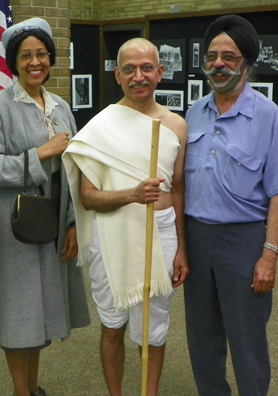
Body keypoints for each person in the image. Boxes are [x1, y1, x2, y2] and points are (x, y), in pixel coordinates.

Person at [63, 38, 189, 396]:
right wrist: (131, 195)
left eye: (147, 68)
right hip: (113, 233)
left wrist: (182, 248)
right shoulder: (100, 129)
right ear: (117, 75)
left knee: (155, 327)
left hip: (161, 230)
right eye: (129, 69)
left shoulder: (176, 126)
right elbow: (88, 197)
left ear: (160, 73)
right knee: (113, 324)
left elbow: (177, 188)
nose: (139, 76)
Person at [0, 18, 90, 396]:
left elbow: (72, 171)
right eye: (26, 55)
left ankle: (33, 386)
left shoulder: (60, 106)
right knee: (18, 314)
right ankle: (21, 392)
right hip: (15, 226)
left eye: (41, 54)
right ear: (13, 62)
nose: (35, 61)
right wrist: (41, 153)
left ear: (51, 59)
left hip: (53, 222)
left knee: (39, 314)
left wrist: (73, 223)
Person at [183, 15, 278, 396]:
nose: (218, 64)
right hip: (197, 239)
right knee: (202, 337)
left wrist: (270, 255)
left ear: (246, 62)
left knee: (246, 339)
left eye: (228, 57)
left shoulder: (266, 116)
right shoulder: (194, 112)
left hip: (244, 242)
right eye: (212, 56)